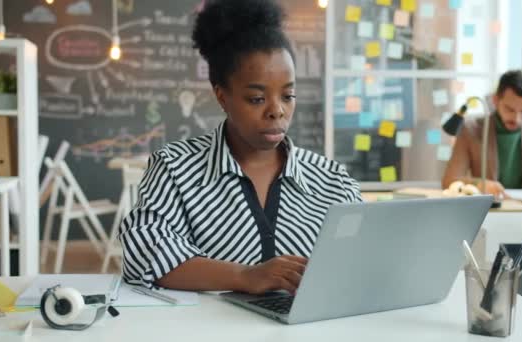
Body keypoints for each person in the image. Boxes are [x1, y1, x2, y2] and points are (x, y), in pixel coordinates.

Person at [119, 0, 361, 295]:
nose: (277, 111)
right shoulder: (174, 169)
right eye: (257, 99)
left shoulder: (333, 181)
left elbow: (361, 263)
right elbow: (144, 253)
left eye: (288, 95)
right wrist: (245, 276)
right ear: (222, 96)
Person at [442, 70, 522, 198]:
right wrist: (479, 184)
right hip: (489, 209)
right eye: (510, 109)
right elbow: (450, 180)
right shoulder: (471, 129)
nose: (517, 118)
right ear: (495, 100)